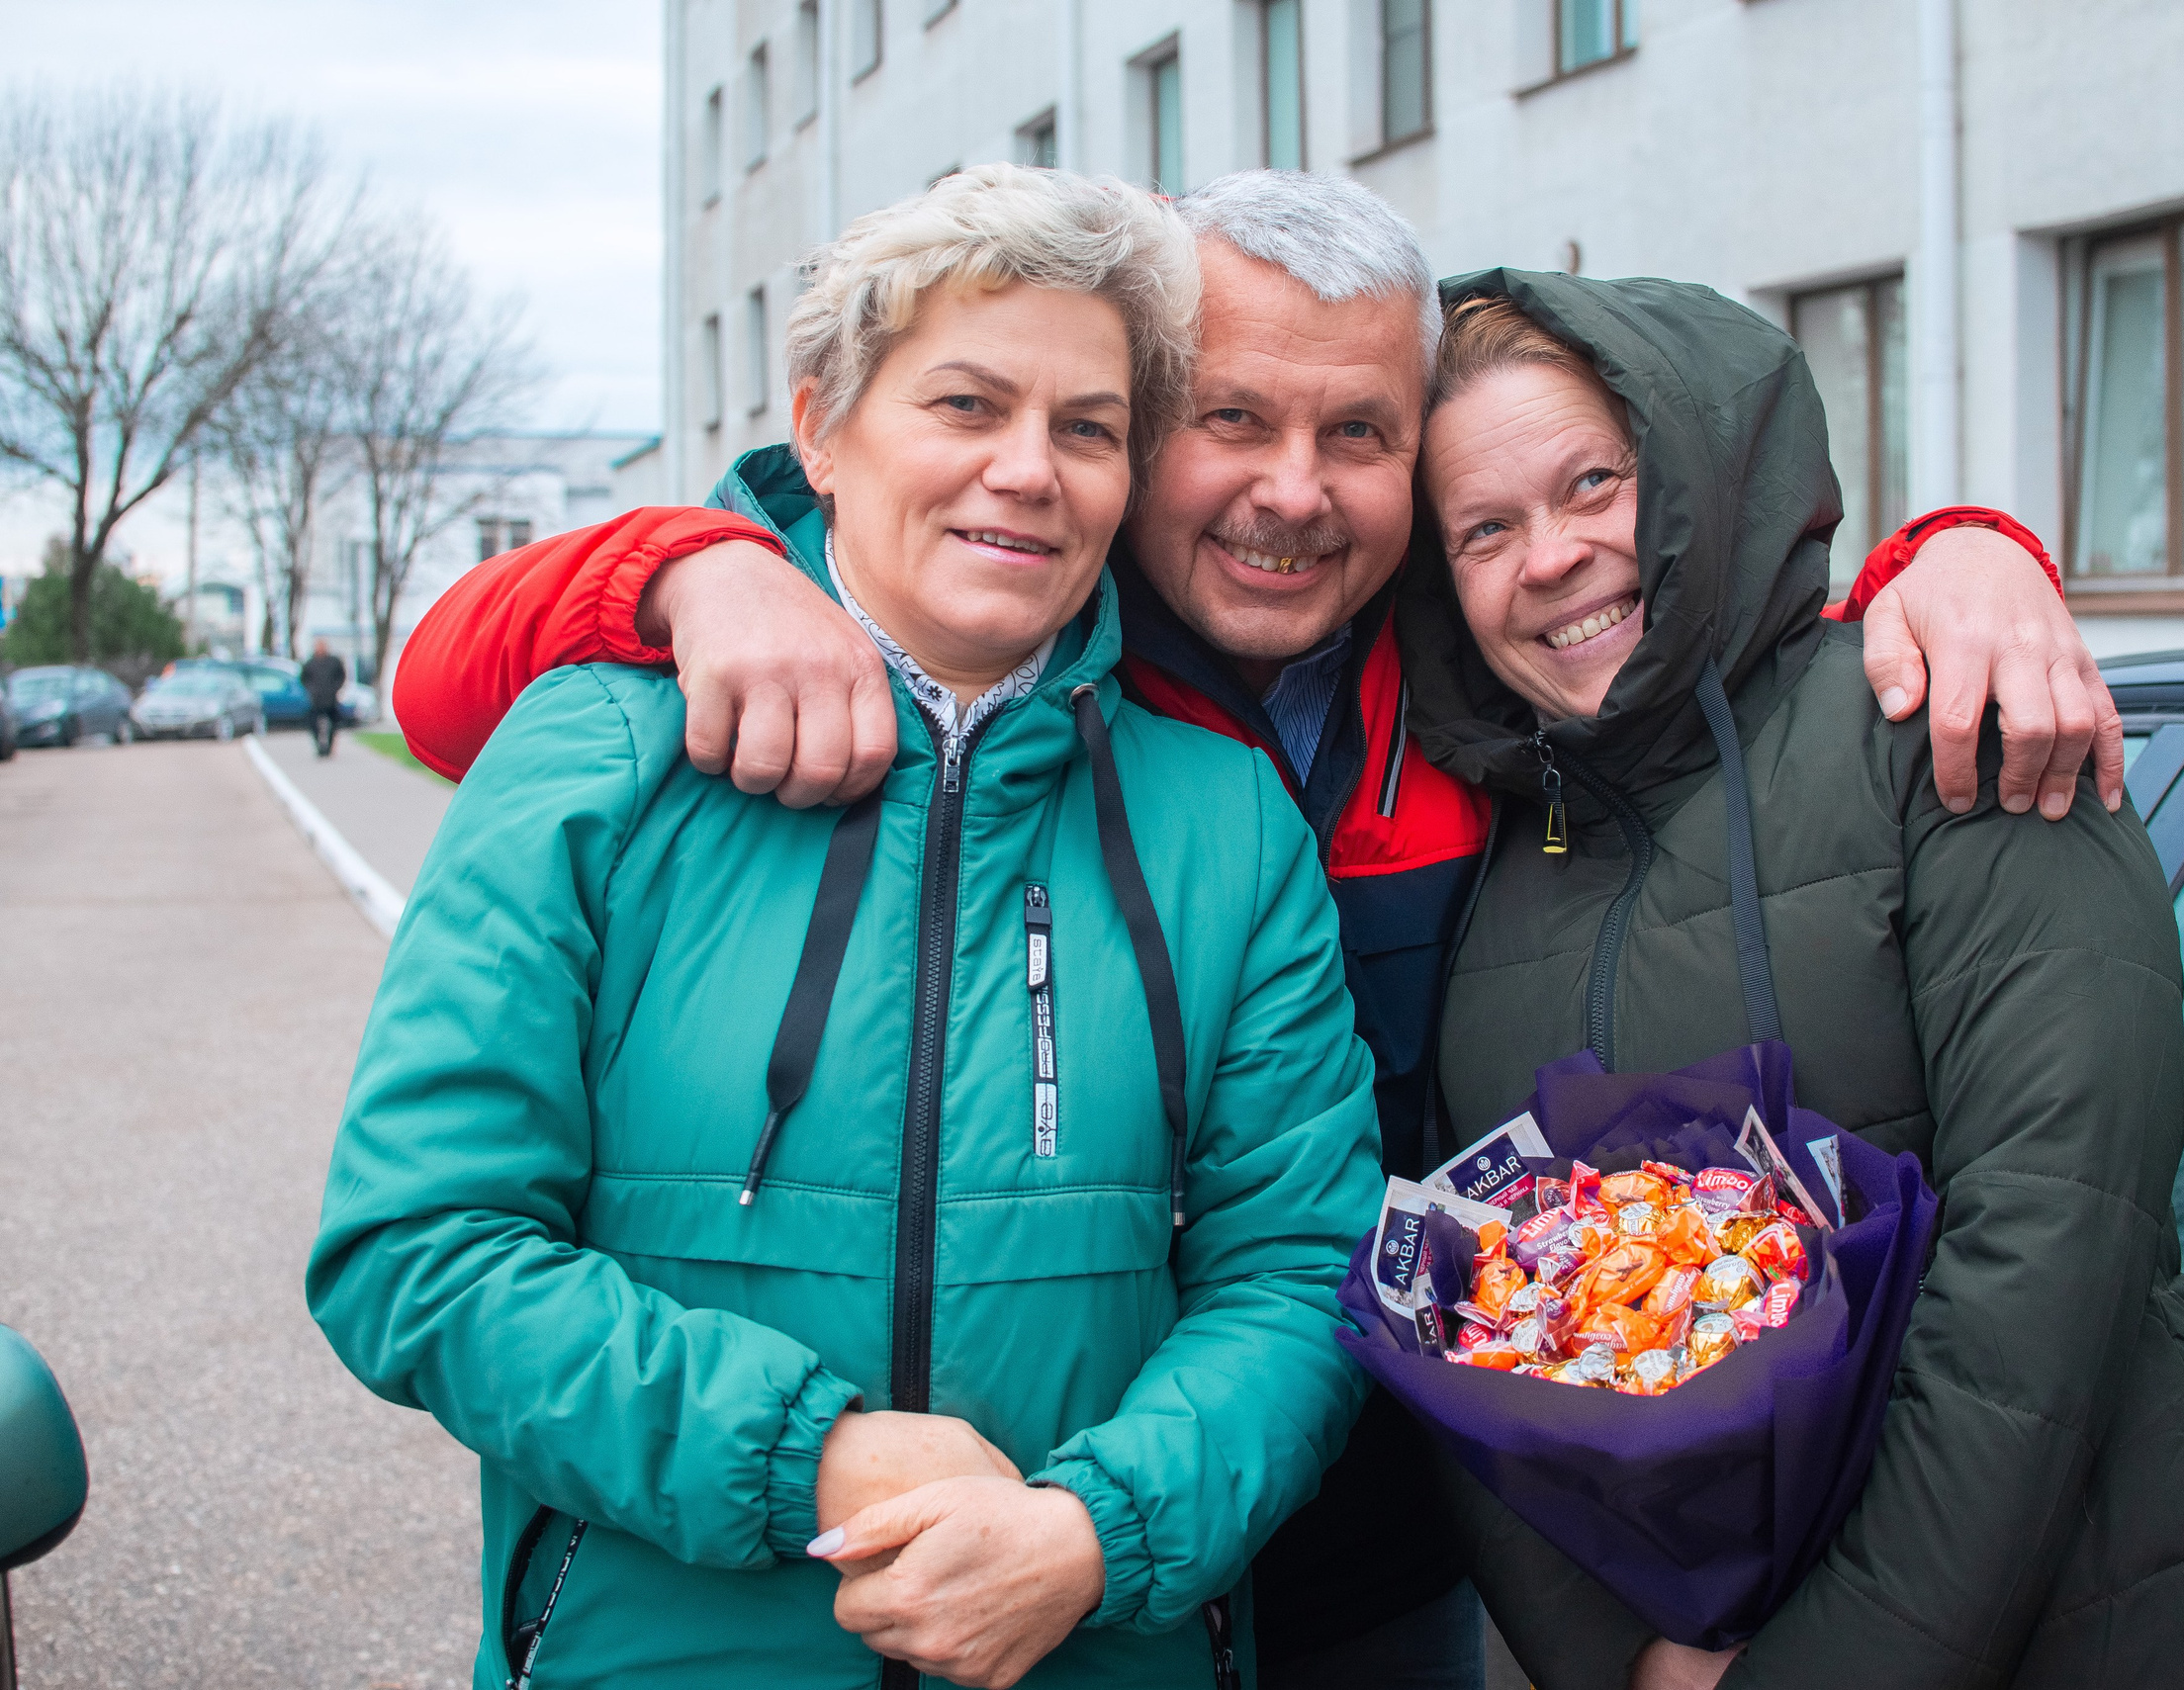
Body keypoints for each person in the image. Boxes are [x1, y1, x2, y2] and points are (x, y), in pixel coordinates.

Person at [385, 172, 2121, 1689]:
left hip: (1372, 1562)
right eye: (1230, 417)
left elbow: (1696, 612)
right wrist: (696, 569)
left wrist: (1965, 554)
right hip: (789, 1596)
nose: (1294, 491)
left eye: (1360, 434)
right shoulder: (898, 629)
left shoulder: (1466, 675)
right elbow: (446, 685)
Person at [307, 164, 1385, 1689]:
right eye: (964, 403)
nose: (1030, 469)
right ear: (821, 423)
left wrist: (1095, 1530)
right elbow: (417, 1249)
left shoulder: (1226, 819)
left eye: (1086, 428)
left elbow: (1301, 1269)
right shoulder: (597, 762)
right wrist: (813, 1459)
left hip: (1100, 1644)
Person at [1402, 277, 2184, 1689]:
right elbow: (1465, 1325)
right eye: (1485, 531)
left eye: (1594, 484)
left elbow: (2049, 1252)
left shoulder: (1946, 727)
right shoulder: (1502, 853)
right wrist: (1615, 1659)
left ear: (1698, 475)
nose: (1553, 557)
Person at [300, 639, 345, 756]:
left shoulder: (334, 662)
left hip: (331, 699)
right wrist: (311, 690)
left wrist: (335, 688)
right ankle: (319, 747)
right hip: (316, 700)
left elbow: (341, 675)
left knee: (334, 724)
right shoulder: (310, 663)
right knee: (313, 723)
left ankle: (329, 747)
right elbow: (304, 678)